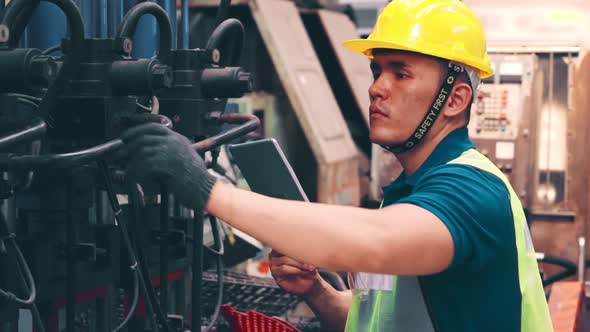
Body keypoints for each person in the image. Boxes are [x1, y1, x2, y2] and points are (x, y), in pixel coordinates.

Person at [120, 0, 552, 331]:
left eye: (400, 73)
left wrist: (206, 188)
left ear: (455, 99)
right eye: (377, 70)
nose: (377, 88)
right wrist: (317, 293)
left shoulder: (472, 192)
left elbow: (376, 242)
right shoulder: (411, 191)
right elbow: (380, 319)